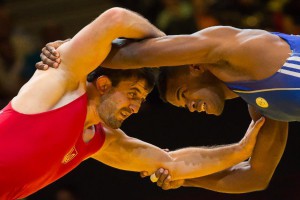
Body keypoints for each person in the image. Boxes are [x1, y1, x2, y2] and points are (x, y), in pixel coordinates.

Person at [0, 8, 264, 200]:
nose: (136, 107)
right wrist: (173, 53)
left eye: (141, 99)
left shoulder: (100, 140)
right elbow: (116, 19)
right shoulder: (60, 82)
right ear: (103, 85)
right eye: (133, 93)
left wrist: (241, 150)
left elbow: (170, 162)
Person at [38, 24, 293, 193]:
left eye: (184, 94)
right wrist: (187, 179)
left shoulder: (232, 47)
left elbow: (137, 53)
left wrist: (70, 48)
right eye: (183, 105)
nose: (191, 108)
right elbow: (254, 178)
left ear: (195, 66)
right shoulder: (263, 109)